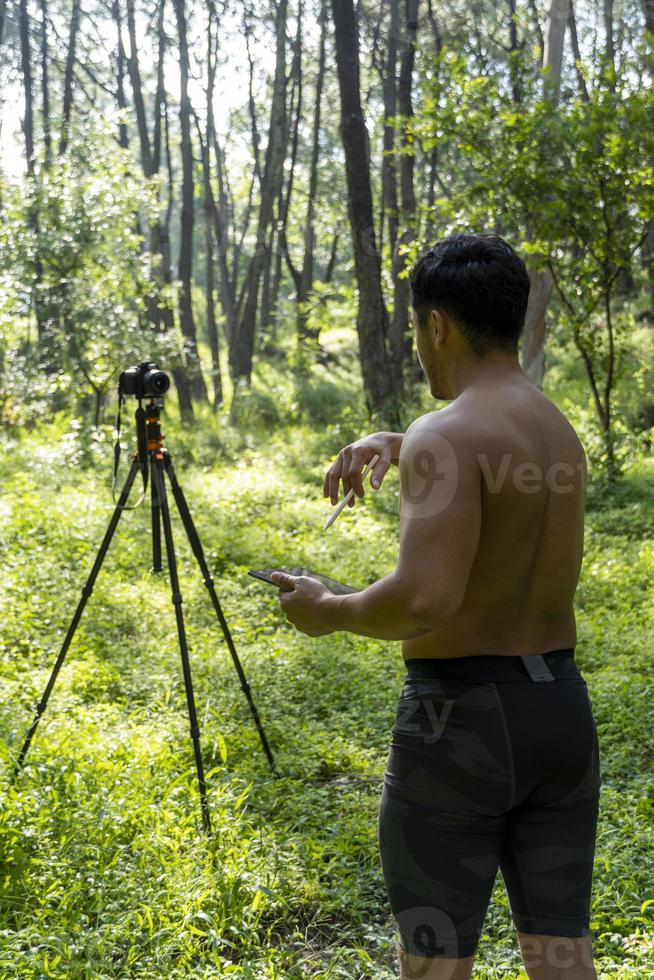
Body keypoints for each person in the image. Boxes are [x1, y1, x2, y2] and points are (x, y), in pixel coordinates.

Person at [270, 233, 601, 980]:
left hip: (458, 727)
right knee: (561, 958)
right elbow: (498, 478)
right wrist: (404, 441)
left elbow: (424, 599)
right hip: (560, 717)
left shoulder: (445, 433)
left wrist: (330, 608)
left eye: (417, 328)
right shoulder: (556, 431)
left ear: (438, 325)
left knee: (434, 965)